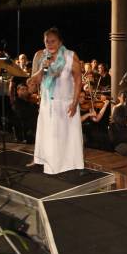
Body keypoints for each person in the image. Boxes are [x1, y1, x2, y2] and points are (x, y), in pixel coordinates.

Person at [29, 27, 83, 174]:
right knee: (49, 135)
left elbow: (78, 80)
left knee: (66, 136)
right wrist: (43, 68)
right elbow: (36, 81)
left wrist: (75, 102)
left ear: (60, 42)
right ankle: (47, 162)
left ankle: (67, 165)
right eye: (47, 42)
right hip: (48, 103)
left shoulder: (70, 56)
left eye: (53, 41)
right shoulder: (41, 56)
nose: (50, 44)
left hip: (65, 103)